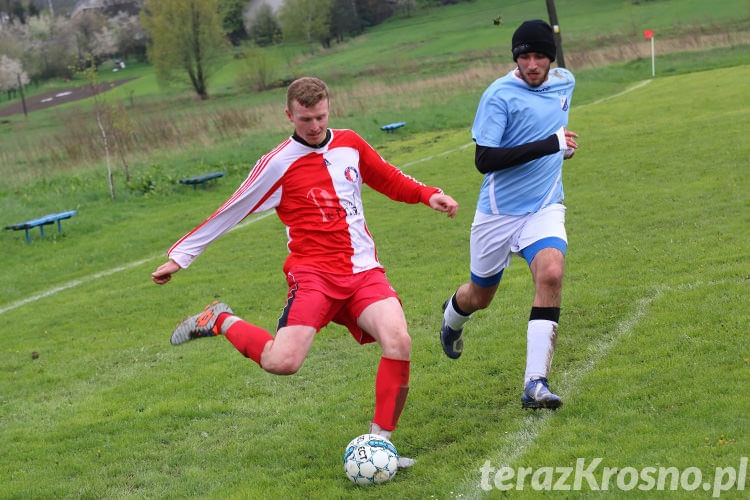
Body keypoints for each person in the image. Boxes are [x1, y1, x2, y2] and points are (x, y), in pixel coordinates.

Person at [152, 77, 458, 465]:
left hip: (363, 272)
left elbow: (387, 176)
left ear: (329, 108)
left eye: (320, 117)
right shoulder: (277, 164)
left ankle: (380, 445)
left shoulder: (350, 143)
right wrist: (181, 257)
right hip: (313, 277)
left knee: (399, 340)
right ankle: (220, 319)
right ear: (289, 115)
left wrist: (428, 194)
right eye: (304, 119)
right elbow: (232, 209)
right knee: (283, 363)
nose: (313, 126)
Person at [439, 20, 578, 410]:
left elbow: (554, 127)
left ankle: (536, 383)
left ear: (550, 59)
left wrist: (561, 148)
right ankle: (452, 321)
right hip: (498, 214)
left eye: (539, 56)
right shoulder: (498, 95)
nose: (532, 64)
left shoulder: (564, 82)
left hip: (545, 205)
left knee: (551, 272)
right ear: (515, 58)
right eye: (524, 57)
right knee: (480, 297)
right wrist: (548, 144)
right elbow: (485, 160)